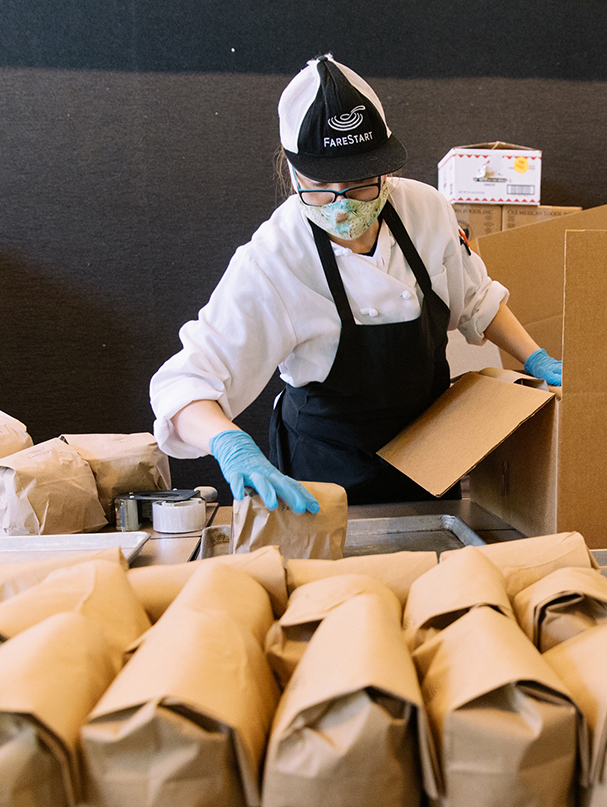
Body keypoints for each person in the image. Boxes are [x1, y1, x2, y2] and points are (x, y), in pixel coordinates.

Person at [150, 54, 562, 513]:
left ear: (386, 168)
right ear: (293, 173)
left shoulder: (426, 211)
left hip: (429, 460)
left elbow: (476, 299)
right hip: (325, 476)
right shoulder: (274, 258)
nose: (342, 206)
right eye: (321, 186)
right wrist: (231, 443)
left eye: (361, 183)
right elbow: (185, 383)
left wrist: (535, 357)